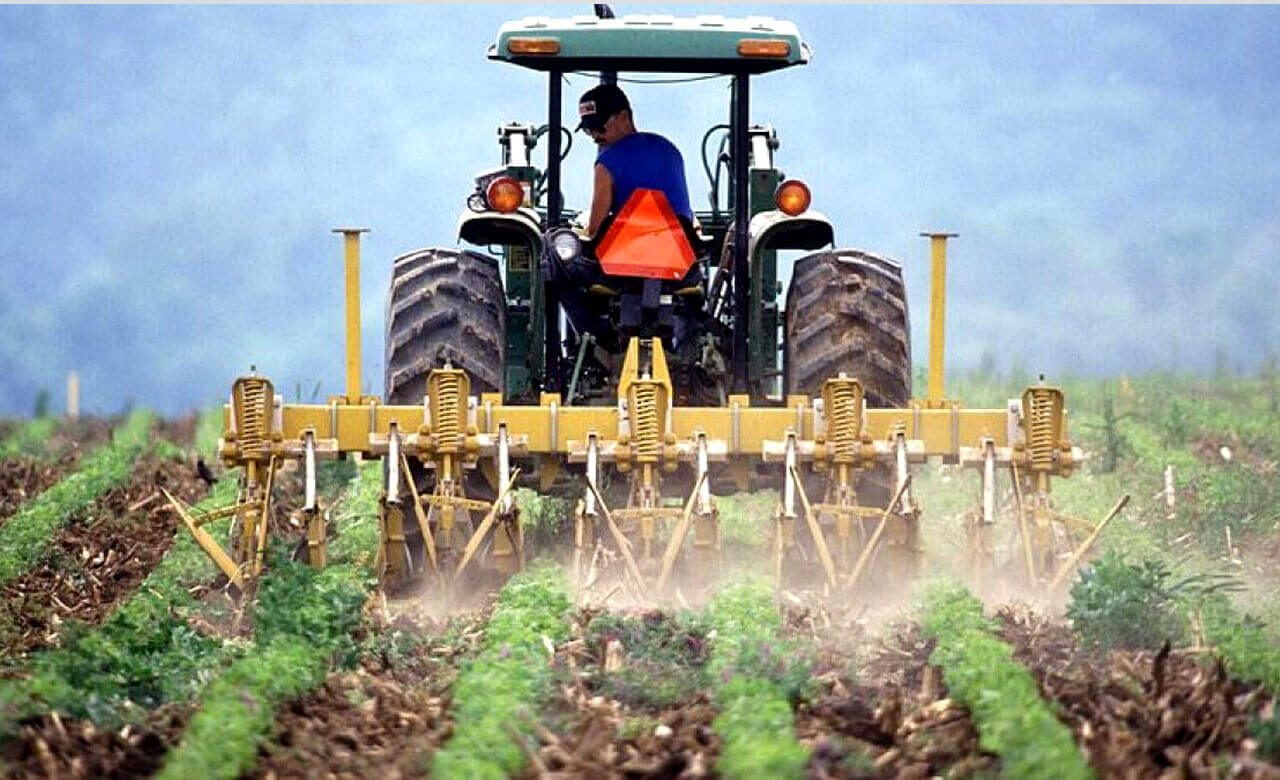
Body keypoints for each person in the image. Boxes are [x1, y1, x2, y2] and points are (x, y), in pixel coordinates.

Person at [576, 84, 693, 238]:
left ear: (624, 117)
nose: (595, 135)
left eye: (600, 127)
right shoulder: (670, 150)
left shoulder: (606, 164)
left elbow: (595, 232)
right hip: (681, 251)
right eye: (589, 130)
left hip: (630, 253)